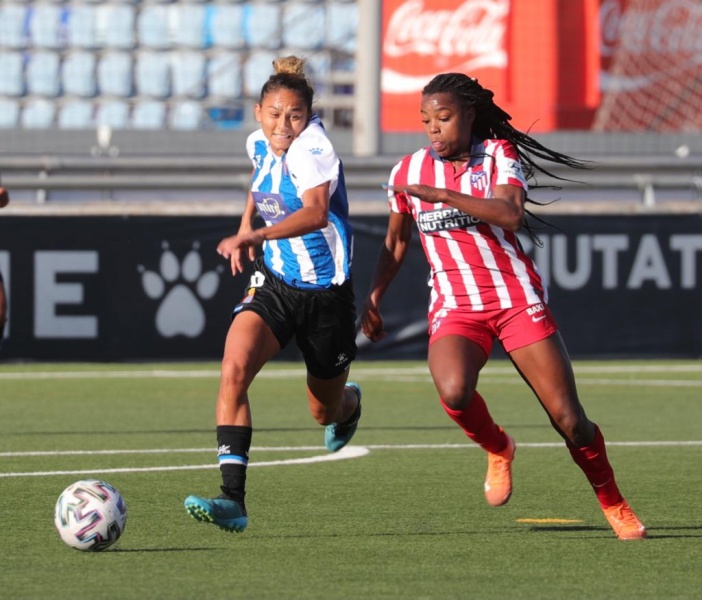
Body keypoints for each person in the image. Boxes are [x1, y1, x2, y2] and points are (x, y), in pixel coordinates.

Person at [361, 73, 646, 541]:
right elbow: (395, 241)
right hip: (456, 305)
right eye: (426, 119)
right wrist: (374, 297)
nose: (433, 128)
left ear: (469, 115)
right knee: (454, 391)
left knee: (570, 420)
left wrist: (444, 195)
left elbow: (511, 214)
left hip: (515, 299)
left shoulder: (497, 155)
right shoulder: (406, 172)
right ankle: (498, 446)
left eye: (443, 117)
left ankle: (613, 501)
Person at [184, 56, 362, 533]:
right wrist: (247, 221)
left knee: (323, 410)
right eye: (275, 114)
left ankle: (348, 405)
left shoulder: (312, 149)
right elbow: (259, 177)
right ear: (258, 112)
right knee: (233, 369)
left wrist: (256, 235)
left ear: (308, 117)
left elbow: (316, 213)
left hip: (326, 295)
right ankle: (232, 500)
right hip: (276, 282)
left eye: (295, 116)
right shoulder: (258, 142)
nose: (283, 125)